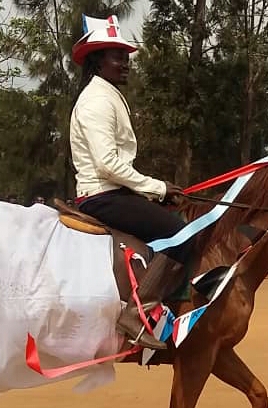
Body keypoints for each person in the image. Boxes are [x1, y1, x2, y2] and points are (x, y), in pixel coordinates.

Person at [69, 15, 190, 350]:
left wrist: (156, 192)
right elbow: (107, 165)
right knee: (180, 234)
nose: (125, 62)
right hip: (101, 195)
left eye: (125, 56)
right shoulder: (96, 100)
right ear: (97, 60)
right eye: (116, 56)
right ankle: (142, 314)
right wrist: (157, 187)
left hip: (113, 191)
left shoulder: (106, 94)